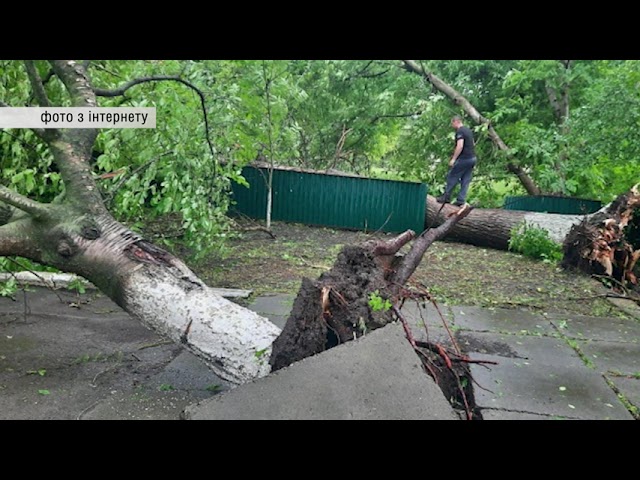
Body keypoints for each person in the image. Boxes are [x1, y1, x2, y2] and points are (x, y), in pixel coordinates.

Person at [436, 115, 477, 207]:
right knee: (466, 180)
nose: (451, 125)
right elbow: (473, 143)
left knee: (452, 176)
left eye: (452, 123)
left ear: (456, 122)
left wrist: (453, 159)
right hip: (472, 158)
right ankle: (461, 200)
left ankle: (446, 197)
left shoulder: (460, 131)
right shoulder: (468, 130)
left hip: (464, 159)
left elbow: (460, 146)